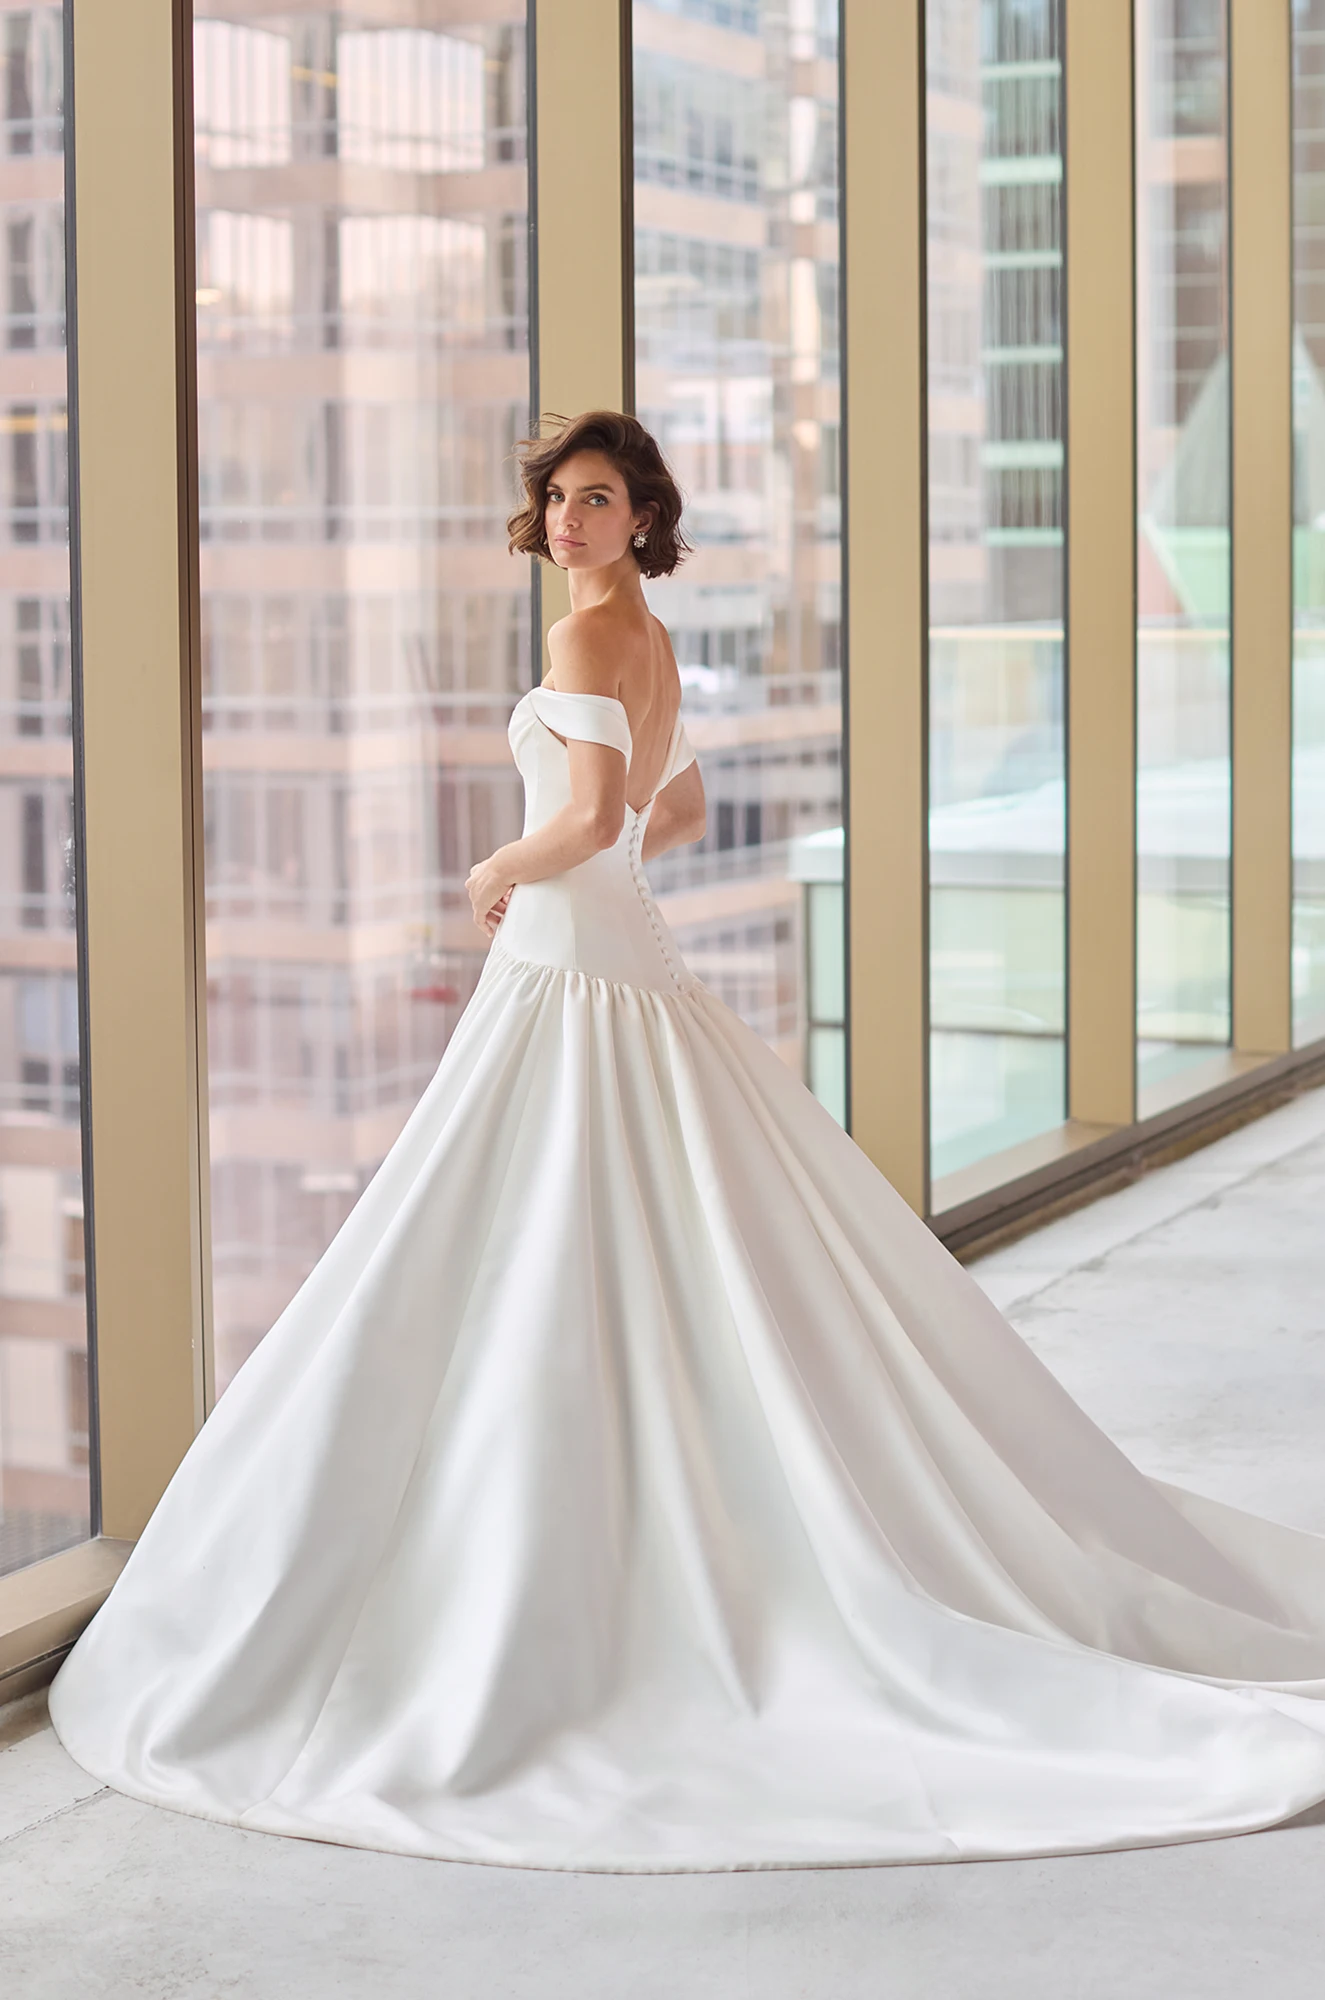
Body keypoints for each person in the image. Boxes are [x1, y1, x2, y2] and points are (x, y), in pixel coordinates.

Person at [48, 411, 1325, 1873]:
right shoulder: (644, 640)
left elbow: (595, 817)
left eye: (600, 500)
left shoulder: (592, 643)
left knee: (516, 1243)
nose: (575, 520)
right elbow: (682, 799)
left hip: (568, 972)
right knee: (612, 1240)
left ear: (642, 515)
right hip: (618, 969)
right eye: (558, 498)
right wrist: (585, 849)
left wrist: (496, 865)